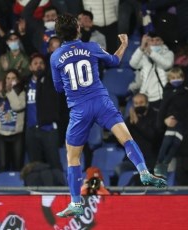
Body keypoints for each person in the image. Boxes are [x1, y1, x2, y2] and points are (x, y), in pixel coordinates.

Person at [50, 13, 166, 218]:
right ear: (78, 29)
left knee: (72, 158)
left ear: (59, 34)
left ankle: (76, 203)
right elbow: (114, 61)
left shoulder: (56, 56)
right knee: (126, 138)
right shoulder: (91, 47)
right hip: (101, 101)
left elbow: (58, 87)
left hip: (79, 108)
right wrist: (123, 44)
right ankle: (144, 172)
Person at [0, 69, 26, 171]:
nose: (10, 80)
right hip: (0, 135)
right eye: (8, 78)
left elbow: (17, 106)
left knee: (18, 166)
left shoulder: (21, 92)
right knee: (2, 166)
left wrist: (10, 91)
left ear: (18, 80)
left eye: (13, 78)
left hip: (16, 135)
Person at [154, 67, 188, 179]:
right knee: (166, 143)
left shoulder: (186, 91)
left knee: (175, 144)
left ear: (183, 78)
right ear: (169, 79)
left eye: (178, 77)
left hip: (181, 122)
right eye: (173, 78)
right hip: (170, 121)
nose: (176, 80)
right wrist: (163, 121)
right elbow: (163, 108)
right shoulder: (167, 91)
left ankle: (165, 164)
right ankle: (159, 163)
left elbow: (185, 108)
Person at [128, 32, 174, 110]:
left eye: (157, 40)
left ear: (162, 42)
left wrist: (151, 53)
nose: (155, 42)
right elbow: (133, 64)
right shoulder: (143, 54)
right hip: (145, 96)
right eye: (152, 40)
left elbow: (167, 65)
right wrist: (142, 48)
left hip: (162, 96)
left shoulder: (168, 53)